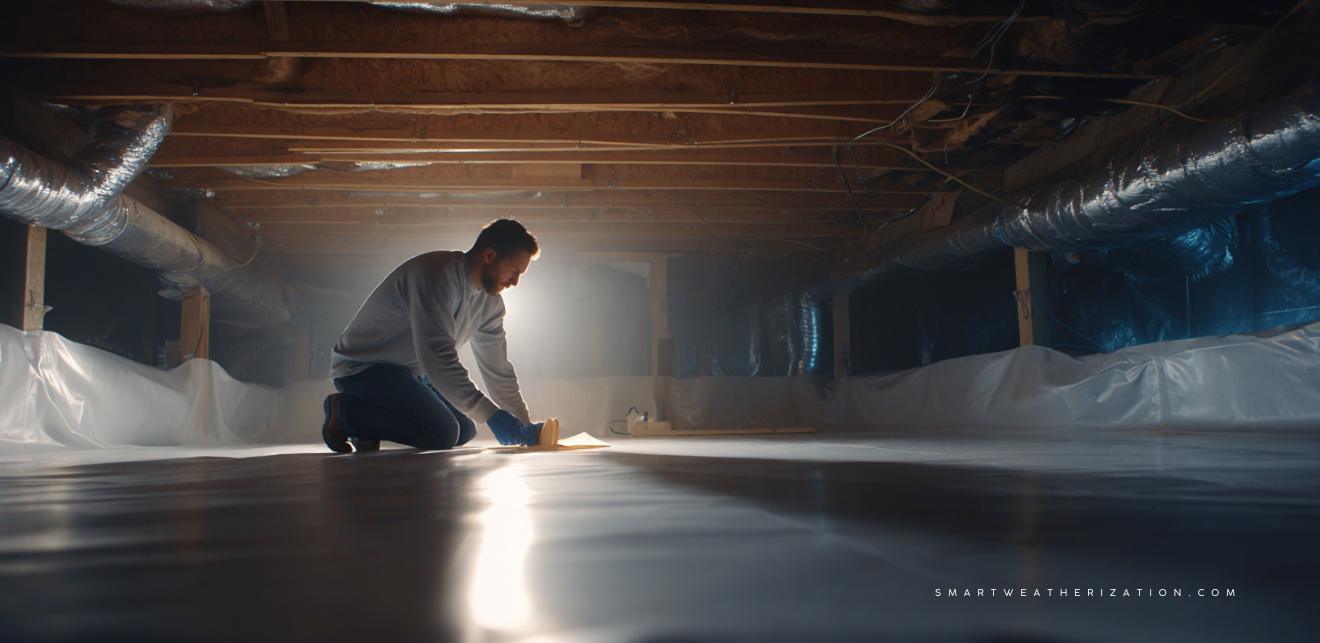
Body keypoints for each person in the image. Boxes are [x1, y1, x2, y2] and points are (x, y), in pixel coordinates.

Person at [321, 219, 542, 452]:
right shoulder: (436, 275)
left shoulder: (490, 304)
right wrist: (492, 414)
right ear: (489, 255)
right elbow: (437, 358)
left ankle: (367, 426)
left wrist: (523, 425)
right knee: (443, 432)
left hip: (412, 373)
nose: (515, 282)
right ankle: (345, 412)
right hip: (364, 369)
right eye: (513, 270)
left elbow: (498, 370)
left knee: (466, 429)